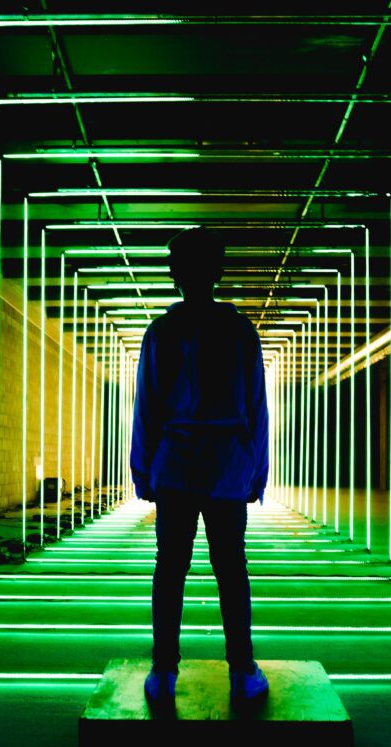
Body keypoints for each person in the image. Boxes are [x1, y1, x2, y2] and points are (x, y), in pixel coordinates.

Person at [130, 226, 269, 704]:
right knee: (231, 570)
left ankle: (164, 670)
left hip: (175, 464)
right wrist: (258, 473)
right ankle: (242, 669)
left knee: (170, 570)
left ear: (175, 274)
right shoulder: (239, 330)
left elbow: (146, 403)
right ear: (219, 272)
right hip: (228, 464)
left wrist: (142, 469)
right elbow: (256, 406)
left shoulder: (162, 331)